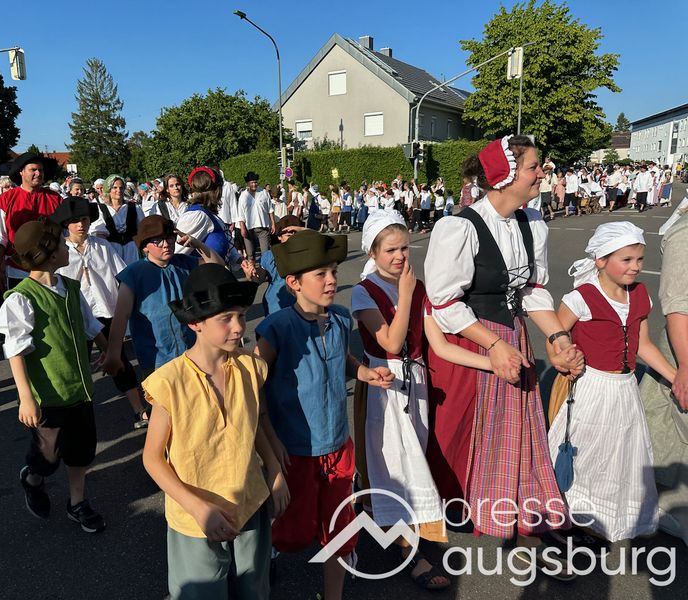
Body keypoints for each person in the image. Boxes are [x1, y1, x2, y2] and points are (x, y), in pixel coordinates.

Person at [424, 136, 583, 577]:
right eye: (534, 167)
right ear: (507, 176)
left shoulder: (531, 222)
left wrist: (558, 337)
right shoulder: (459, 227)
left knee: (523, 433)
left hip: (513, 336)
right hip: (473, 342)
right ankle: (463, 520)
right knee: (475, 435)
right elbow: (444, 303)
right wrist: (493, 346)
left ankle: (525, 522)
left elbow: (532, 290)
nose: (542, 173)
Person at [352, 212, 497, 590]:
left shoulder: (418, 288)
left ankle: (405, 533)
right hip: (382, 385)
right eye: (390, 250)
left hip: (414, 382)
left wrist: (492, 362)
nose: (400, 256)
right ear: (372, 252)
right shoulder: (364, 291)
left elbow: (439, 344)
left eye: (404, 248)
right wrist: (404, 294)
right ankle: (409, 550)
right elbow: (390, 342)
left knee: (414, 457)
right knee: (397, 465)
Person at [255, 230, 394, 600]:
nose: (332, 279)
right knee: (292, 532)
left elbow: (341, 357)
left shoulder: (341, 318)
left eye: (333, 271)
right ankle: (261, 567)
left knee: (341, 529)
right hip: (295, 450)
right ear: (294, 283)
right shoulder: (276, 328)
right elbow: (251, 384)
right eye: (321, 274)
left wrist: (364, 372)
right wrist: (270, 447)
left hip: (338, 445)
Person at [142, 263, 286, 599]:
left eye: (241, 315)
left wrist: (275, 469)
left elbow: (251, 424)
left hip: (249, 502)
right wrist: (198, 508)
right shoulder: (170, 381)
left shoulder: (251, 367)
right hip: (195, 518)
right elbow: (152, 458)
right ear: (195, 323)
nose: (238, 327)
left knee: (253, 590)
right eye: (226, 318)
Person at [549, 222, 675, 542]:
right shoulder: (581, 297)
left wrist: (675, 377)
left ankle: (599, 518)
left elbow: (642, 345)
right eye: (626, 259)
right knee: (586, 453)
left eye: (640, 259)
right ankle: (567, 517)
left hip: (625, 388)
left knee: (618, 455)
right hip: (591, 386)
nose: (635, 267)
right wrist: (564, 358)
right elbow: (556, 339)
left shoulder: (640, 294)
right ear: (601, 260)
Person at [0, 219, 107, 533]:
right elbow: (15, 350)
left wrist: (109, 352)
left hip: (79, 389)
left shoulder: (70, 288)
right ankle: (33, 478)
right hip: (48, 395)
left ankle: (77, 502)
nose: (66, 245)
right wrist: (26, 398)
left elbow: (90, 325)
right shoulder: (22, 298)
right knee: (48, 457)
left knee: (81, 451)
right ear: (47, 253)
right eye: (61, 242)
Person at [50, 197, 149, 430]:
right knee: (77, 364)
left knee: (119, 359)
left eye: (84, 219)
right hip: (75, 316)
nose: (81, 225)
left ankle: (139, 409)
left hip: (106, 311)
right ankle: (77, 416)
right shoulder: (60, 250)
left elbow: (123, 275)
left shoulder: (103, 246)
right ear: (66, 224)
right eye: (75, 221)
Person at [102, 216, 223, 382]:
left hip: (194, 352)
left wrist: (197, 244)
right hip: (156, 359)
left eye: (169, 238)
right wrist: (113, 354)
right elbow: (121, 316)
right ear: (145, 247)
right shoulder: (133, 274)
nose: (166, 244)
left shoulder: (185, 263)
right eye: (157, 241)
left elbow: (217, 266)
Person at [639, 206, 688, 546]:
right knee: (674, 435)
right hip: (683, 351)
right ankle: (672, 512)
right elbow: (677, 307)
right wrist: (684, 366)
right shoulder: (684, 234)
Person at [0, 151, 62, 291]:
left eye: (41, 170)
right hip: (18, 269)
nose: (38, 173)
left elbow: (64, 234)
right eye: (33, 170)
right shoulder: (6, 199)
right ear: (21, 172)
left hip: (50, 269)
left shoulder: (55, 199)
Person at [247, 214, 302, 316]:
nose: (293, 239)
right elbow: (259, 279)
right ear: (279, 236)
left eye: (297, 234)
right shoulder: (270, 255)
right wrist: (251, 274)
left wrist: (303, 230)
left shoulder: (306, 254)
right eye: (289, 235)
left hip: (302, 306)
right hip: (276, 306)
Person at [93, 174, 146, 266]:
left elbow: (143, 228)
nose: (119, 190)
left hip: (132, 249)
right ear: (108, 189)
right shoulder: (102, 209)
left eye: (121, 188)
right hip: (111, 250)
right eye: (115, 187)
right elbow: (97, 232)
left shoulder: (134, 207)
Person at [237, 171, 275, 261]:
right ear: (248, 183)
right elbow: (241, 214)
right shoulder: (243, 196)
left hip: (263, 227)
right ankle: (252, 269)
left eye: (255, 182)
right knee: (250, 254)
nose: (254, 184)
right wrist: (242, 228)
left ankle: (265, 269)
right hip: (249, 229)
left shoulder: (264, 193)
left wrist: (273, 223)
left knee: (265, 254)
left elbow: (270, 209)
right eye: (252, 183)